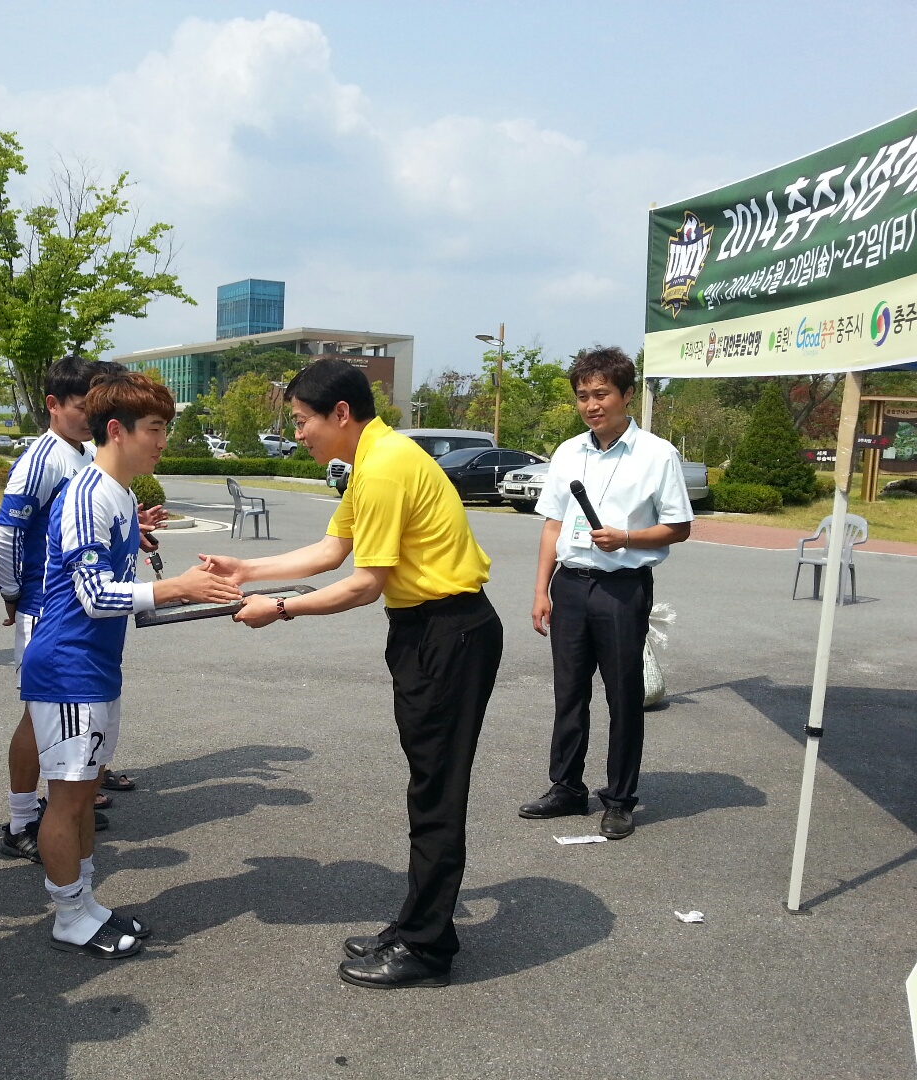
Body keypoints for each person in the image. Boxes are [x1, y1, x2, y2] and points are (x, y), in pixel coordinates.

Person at [204, 358, 502, 989]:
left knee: (436, 791)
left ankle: (426, 948)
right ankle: (418, 925)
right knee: (429, 783)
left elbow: (366, 584)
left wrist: (278, 609)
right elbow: (331, 550)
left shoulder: (386, 465)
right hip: (428, 630)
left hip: (448, 632)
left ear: (341, 413)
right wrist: (245, 570)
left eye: (301, 420)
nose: (297, 434)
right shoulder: (370, 461)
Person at [20, 372, 238, 959]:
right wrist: (175, 588)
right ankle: (69, 915)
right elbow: (94, 595)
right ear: (116, 430)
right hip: (66, 666)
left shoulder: (117, 494)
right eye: (155, 429)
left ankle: (86, 903)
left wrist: (176, 585)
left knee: (84, 792)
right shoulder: (87, 494)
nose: (163, 442)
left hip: (94, 665)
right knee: (67, 799)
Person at [519, 346, 693, 839]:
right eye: (583, 396)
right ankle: (567, 788)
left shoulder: (657, 454)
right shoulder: (568, 452)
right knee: (569, 692)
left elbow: (679, 527)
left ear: (627, 394)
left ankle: (619, 799)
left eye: (601, 394)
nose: (591, 405)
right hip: (570, 586)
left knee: (623, 696)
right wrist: (541, 590)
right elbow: (553, 524)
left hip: (622, 588)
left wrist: (627, 538)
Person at [0, 355, 124, 860]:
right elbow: (5, 535)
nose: (91, 416)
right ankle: (20, 819)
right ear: (53, 404)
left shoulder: (82, 453)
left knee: (54, 721)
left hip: (71, 608)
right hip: (45, 607)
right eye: (81, 405)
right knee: (36, 717)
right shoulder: (42, 458)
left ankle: (58, 805)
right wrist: (14, 594)